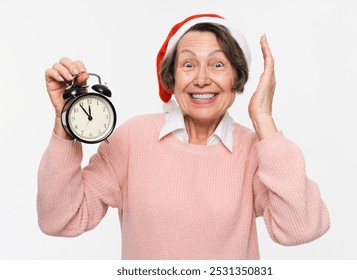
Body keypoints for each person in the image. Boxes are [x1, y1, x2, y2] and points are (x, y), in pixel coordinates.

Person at [37, 14, 330, 259]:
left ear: (236, 77)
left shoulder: (256, 150)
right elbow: (61, 219)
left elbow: (301, 228)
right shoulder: (133, 138)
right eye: (188, 64)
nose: (202, 79)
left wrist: (264, 118)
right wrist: (65, 121)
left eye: (218, 64)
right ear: (172, 78)